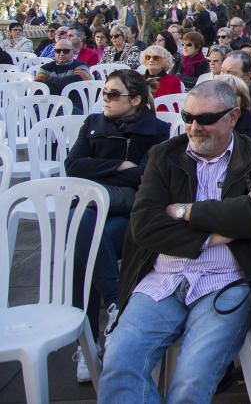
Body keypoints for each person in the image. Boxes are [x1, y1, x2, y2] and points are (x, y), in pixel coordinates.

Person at [98, 81, 251, 403]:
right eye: (187, 116)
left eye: (207, 119)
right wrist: (215, 234)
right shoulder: (164, 155)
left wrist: (185, 211)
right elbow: (145, 227)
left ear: (233, 117)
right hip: (162, 279)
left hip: (226, 281)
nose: (195, 127)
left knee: (191, 378)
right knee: (119, 362)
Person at [67, 70, 170, 382]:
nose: (105, 99)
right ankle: (114, 307)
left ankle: (87, 343)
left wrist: (100, 174)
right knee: (84, 228)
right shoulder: (92, 123)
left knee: (81, 240)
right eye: (104, 93)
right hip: (96, 211)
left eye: (113, 94)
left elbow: (146, 176)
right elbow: (72, 165)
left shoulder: (158, 130)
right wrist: (117, 165)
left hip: (131, 215)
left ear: (136, 100)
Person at [34, 39, 92, 108]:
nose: (61, 54)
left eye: (66, 51)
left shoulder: (82, 66)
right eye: (58, 51)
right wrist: (64, 84)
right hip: (50, 105)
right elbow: (38, 86)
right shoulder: (45, 68)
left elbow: (78, 80)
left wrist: (50, 82)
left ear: (73, 52)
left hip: (75, 104)